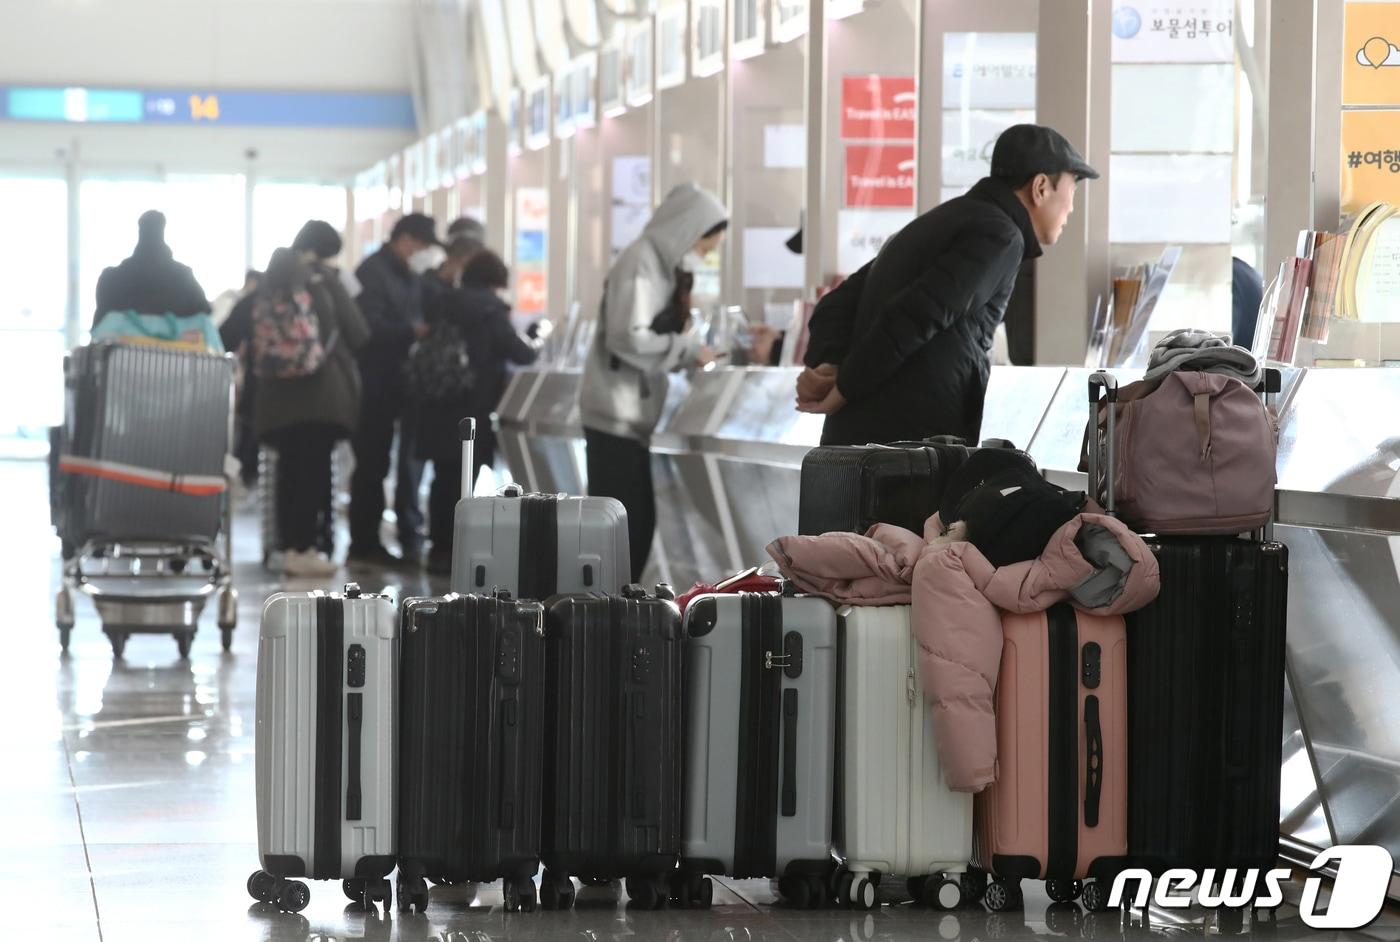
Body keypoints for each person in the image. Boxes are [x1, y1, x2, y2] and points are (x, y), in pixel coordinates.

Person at [796, 124, 1098, 446]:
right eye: (1073, 189)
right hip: (907, 453)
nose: (1071, 208)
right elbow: (917, 314)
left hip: (854, 449)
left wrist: (830, 364)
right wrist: (845, 387)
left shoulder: (937, 222)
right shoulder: (1001, 236)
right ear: (1040, 187)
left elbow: (836, 304)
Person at [579, 183, 726, 582]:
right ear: (687, 229)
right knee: (626, 530)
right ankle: (606, 617)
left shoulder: (658, 266)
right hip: (616, 414)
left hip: (629, 416)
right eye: (706, 241)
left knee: (634, 526)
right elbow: (628, 337)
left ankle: (612, 614)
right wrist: (685, 351)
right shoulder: (641, 263)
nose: (707, 252)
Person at [416, 249, 540, 574]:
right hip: (472, 406)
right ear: (495, 282)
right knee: (463, 479)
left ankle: (438, 548)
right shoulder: (489, 309)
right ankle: (455, 548)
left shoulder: (444, 302)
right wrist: (535, 337)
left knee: (443, 478)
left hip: (438, 402)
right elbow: (521, 354)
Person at [249, 248, 370, 576]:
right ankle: (303, 548)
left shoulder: (261, 294)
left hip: (276, 403)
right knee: (313, 476)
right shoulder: (322, 287)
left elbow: (226, 334)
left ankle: (287, 546)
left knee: (288, 473)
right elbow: (359, 332)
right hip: (321, 399)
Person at [347, 212, 440, 566]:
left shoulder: (407, 275)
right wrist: (410, 331)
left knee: (391, 464)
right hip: (374, 383)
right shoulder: (373, 272)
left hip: (399, 383)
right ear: (406, 240)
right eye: (424, 246)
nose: (425, 253)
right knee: (371, 462)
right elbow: (366, 328)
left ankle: (385, 538)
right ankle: (364, 543)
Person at [92, 210, 209, 330]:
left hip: (119, 347)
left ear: (140, 230)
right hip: (178, 348)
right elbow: (205, 314)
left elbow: (99, 324)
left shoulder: (111, 279)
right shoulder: (184, 278)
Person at [1231, 256, 1265, 351]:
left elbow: (1225, 340)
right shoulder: (1245, 271)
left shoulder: (1230, 277)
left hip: (1242, 360)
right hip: (1252, 358)